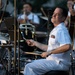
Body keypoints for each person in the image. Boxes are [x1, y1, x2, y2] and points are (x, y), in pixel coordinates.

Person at [23, 6, 72, 75]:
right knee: (31, 64)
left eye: (57, 14)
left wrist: (49, 52)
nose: (53, 15)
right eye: (54, 13)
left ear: (63, 18)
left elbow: (67, 46)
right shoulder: (57, 29)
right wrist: (35, 43)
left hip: (59, 62)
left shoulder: (61, 30)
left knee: (29, 67)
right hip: (53, 61)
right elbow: (49, 48)